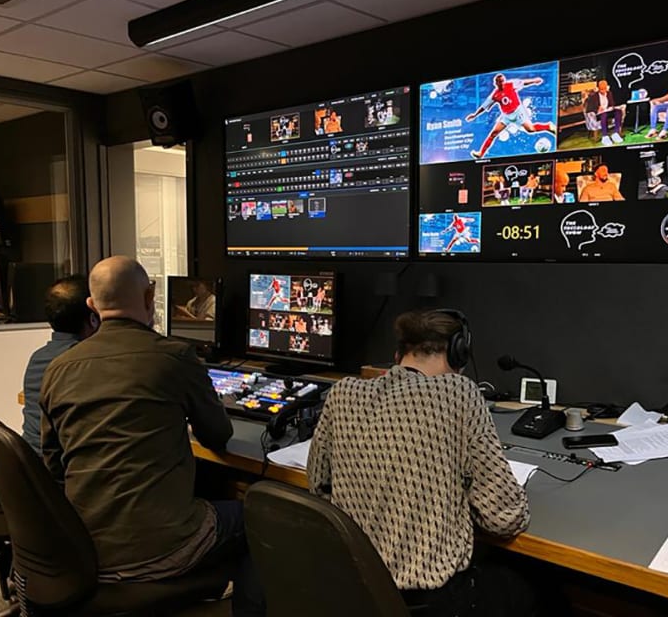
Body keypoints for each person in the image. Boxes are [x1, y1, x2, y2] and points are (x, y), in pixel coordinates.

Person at [39, 256, 264, 616]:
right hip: (161, 549)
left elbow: (53, 465)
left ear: (92, 306)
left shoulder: (58, 369)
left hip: (82, 548)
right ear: (150, 297)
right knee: (261, 518)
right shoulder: (173, 356)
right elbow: (218, 435)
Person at [308, 310, 534, 616]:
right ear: (458, 354)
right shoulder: (459, 393)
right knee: (536, 590)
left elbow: (318, 487)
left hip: (355, 590)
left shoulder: (342, 392)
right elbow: (504, 519)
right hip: (429, 600)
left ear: (398, 354)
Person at [21, 275, 98, 455]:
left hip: (33, 465)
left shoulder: (38, 358)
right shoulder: (83, 363)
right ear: (93, 318)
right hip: (61, 473)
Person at [466, 73, 556, 159]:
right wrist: (475, 115)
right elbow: (484, 106)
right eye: (500, 82)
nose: (502, 83)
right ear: (496, 83)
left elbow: (523, 82)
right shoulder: (495, 95)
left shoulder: (511, 84)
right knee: (493, 133)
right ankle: (481, 153)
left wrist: (535, 80)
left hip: (518, 112)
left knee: (530, 129)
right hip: (506, 116)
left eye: (503, 81)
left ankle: (548, 126)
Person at [585, 80, 623, 146]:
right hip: (599, 113)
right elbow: (589, 108)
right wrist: (597, 109)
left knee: (618, 112)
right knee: (604, 115)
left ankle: (616, 133)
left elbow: (612, 103)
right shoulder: (594, 96)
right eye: (601, 89)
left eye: (604, 88)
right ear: (598, 88)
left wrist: (612, 107)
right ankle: (605, 136)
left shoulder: (609, 93)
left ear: (607, 87)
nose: (603, 90)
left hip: (608, 111)